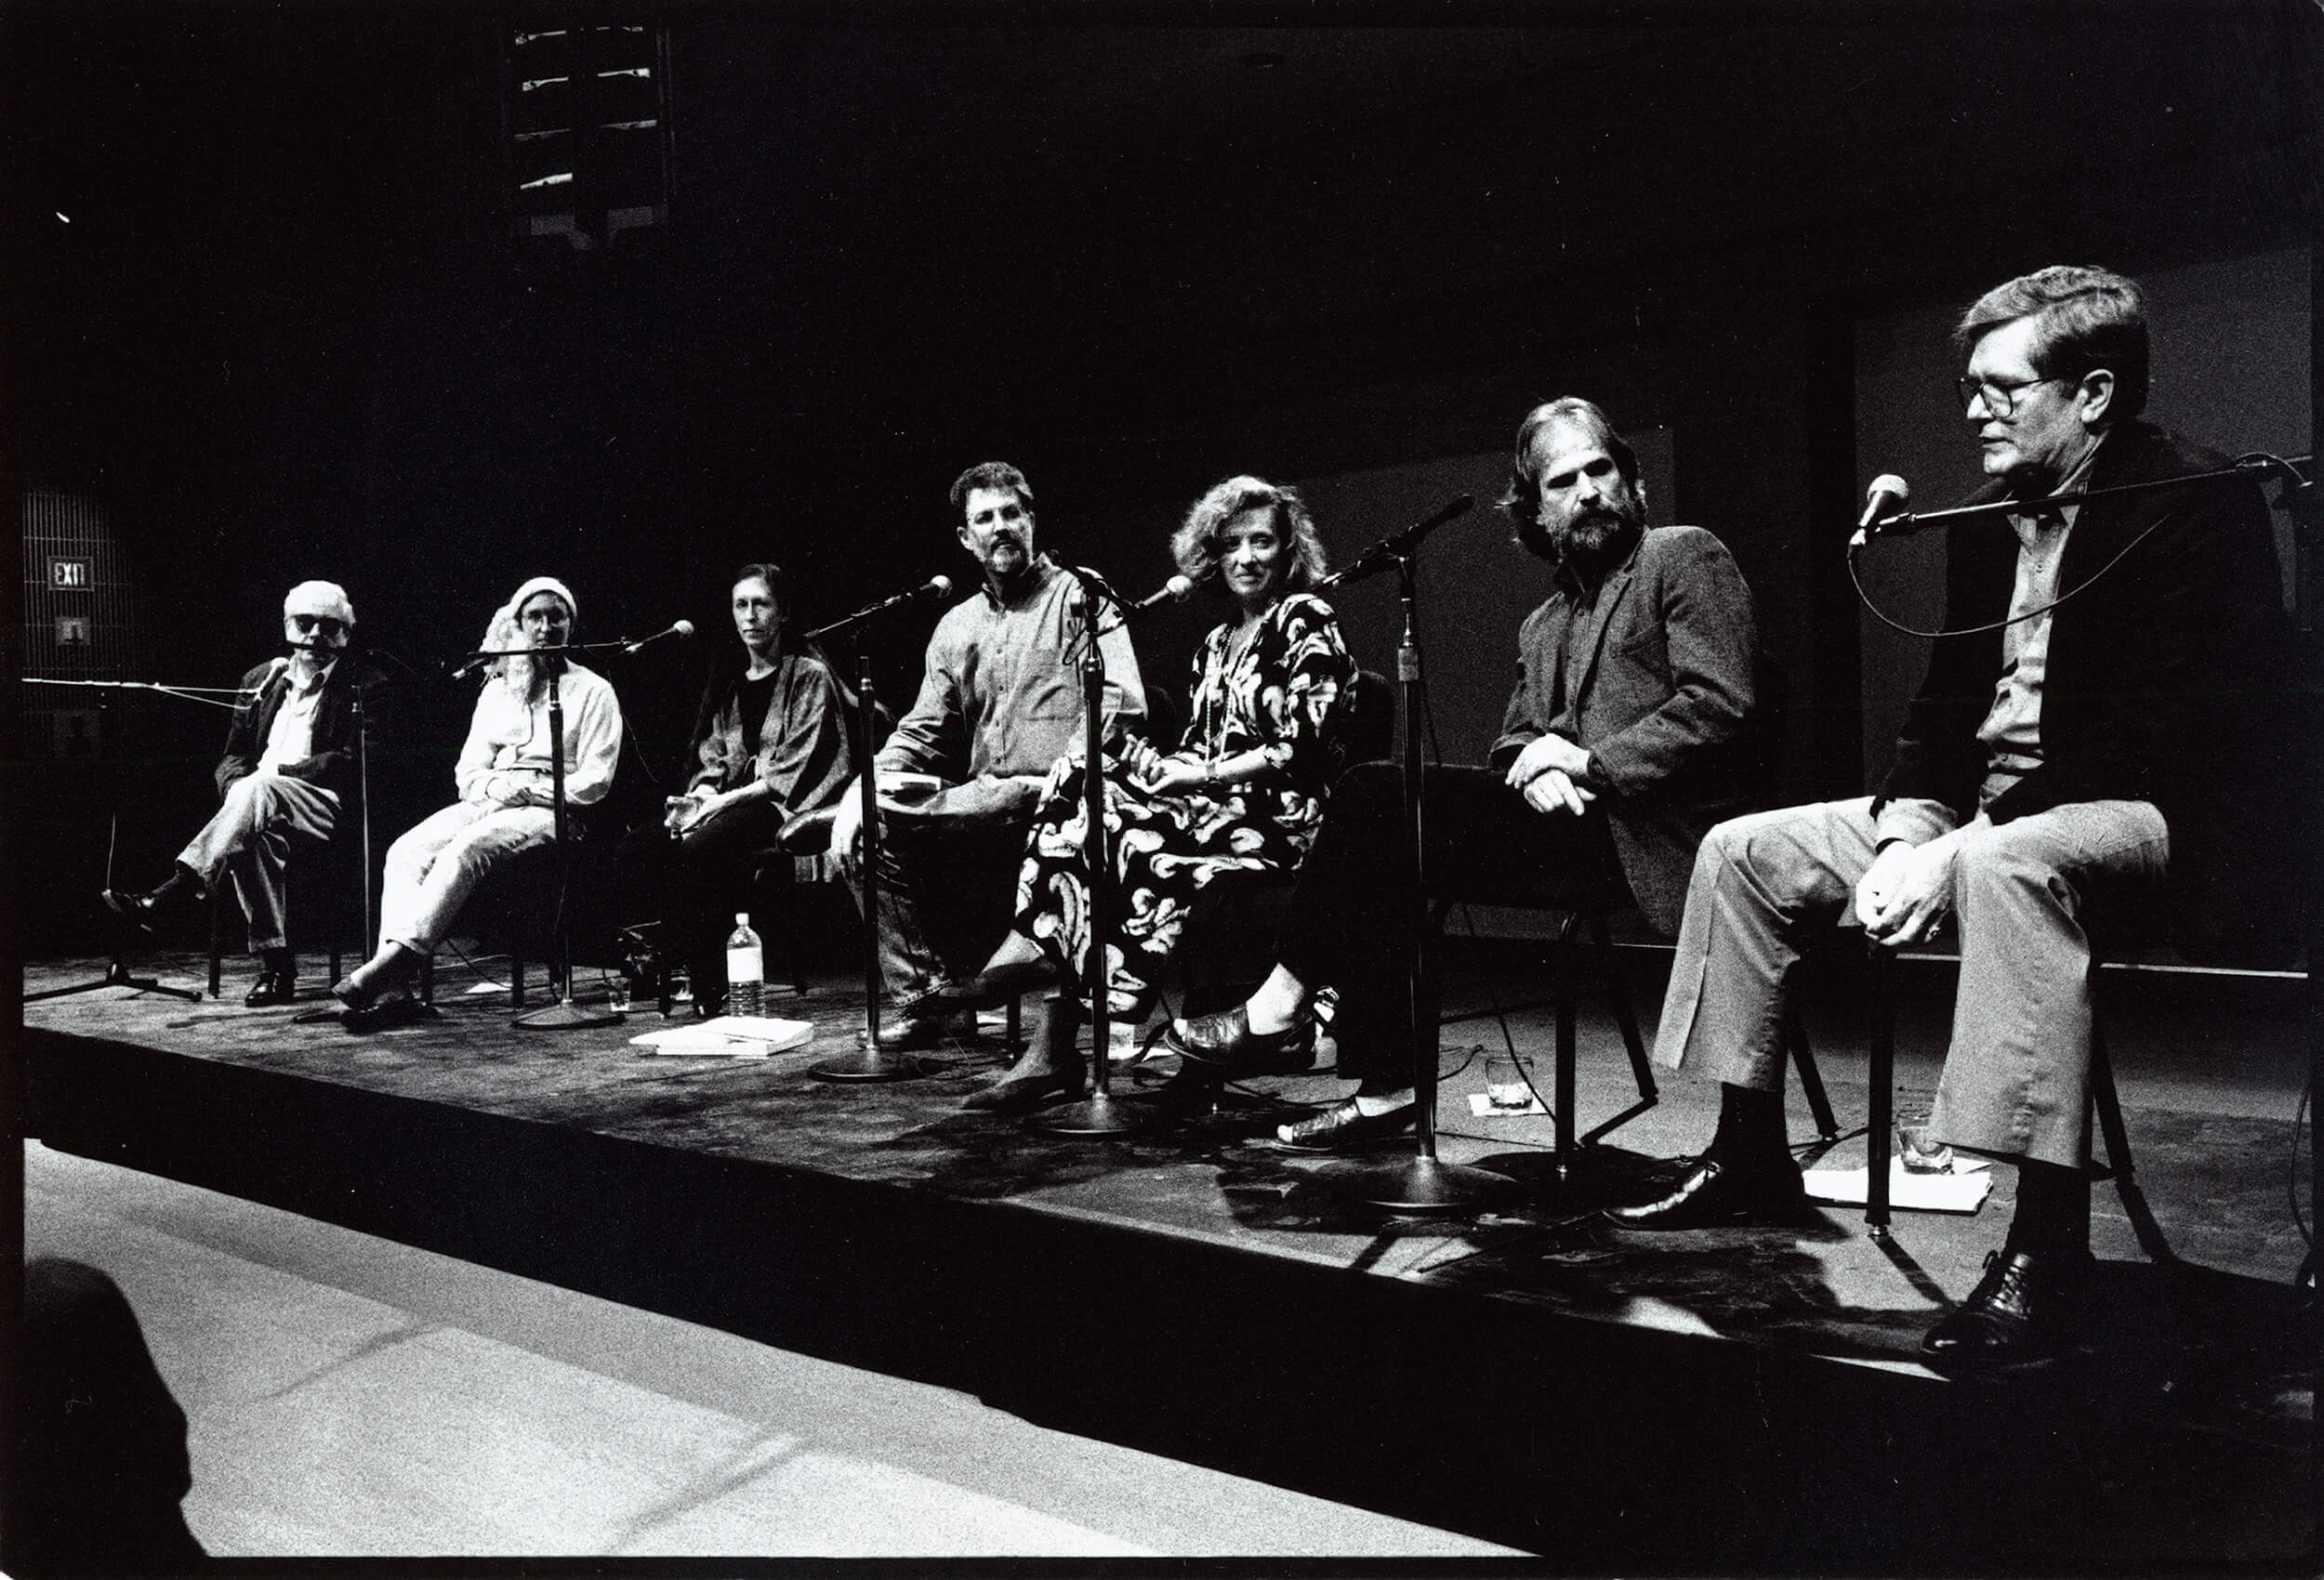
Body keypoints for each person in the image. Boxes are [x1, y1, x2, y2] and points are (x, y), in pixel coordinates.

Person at [1609, 267, 2295, 1372]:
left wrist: (1959, 848)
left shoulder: (2193, 503)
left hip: (2153, 812)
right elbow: (1940, 709)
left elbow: (2159, 735)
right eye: (1967, 387)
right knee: (1744, 850)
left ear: (2093, 394)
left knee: (2013, 867)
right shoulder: (1984, 518)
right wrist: (1901, 835)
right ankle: (1747, 1150)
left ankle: (2045, 1247)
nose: (1971, 409)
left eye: (1998, 386)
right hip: (1987, 811)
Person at [1169, 399, 1766, 1151]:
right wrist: (1529, 766)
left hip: (1653, 834)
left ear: (1631, 481)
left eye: (1600, 470)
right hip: (1565, 831)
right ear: (1534, 510)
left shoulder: (1682, 555)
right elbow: (1513, 739)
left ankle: (1277, 1011)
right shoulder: (1543, 622)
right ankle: (1387, 1088)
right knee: (1392, 830)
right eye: (1561, 482)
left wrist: (1589, 764)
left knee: (1376, 796)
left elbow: (1721, 703)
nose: (1586, 491)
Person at [939, 476, 1360, 1111]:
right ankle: (1039, 953)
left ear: (1288, 549)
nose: (1246, 557)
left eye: (1262, 542)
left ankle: (1057, 999)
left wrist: (1199, 778)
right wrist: (1162, 768)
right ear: (1211, 556)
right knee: (1084, 774)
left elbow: (1299, 746)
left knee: (1129, 839)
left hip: (1282, 821)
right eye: (1231, 544)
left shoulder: (1306, 618)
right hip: (1211, 810)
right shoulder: (1216, 644)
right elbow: (1198, 747)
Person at [825, 462, 1147, 1049]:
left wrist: (1061, 775)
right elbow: (921, 732)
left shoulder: (1082, 594)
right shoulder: (955, 625)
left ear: (1031, 520)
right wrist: (859, 790)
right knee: (864, 826)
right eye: (984, 518)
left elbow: (1122, 704)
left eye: (1010, 513)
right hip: (981, 799)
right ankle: (928, 1000)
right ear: (965, 538)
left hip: (1062, 798)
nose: (1000, 527)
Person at [335, 575, 624, 1014]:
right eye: (535, 617)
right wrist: (497, 786)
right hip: (492, 798)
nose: (546, 627)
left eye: (556, 617)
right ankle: (396, 992)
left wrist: (536, 790)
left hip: (553, 810)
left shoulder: (594, 691)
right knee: (405, 851)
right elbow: (467, 771)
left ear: (571, 624)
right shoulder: (498, 687)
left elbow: (596, 780)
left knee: (466, 849)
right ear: (520, 624)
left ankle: (395, 961)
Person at [101, 579, 390, 1007]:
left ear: (346, 634)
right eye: (305, 623)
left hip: (324, 805)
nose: (315, 635)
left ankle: (169, 894)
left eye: (329, 627)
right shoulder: (261, 679)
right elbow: (233, 755)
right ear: (288, 626)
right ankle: (276, 965)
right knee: (252, 841)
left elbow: (359, 758)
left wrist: (278, 776)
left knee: (261, 788)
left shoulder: (366, 684)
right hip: (258, 806)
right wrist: (238, 787)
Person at [664, 563, 852, 1014]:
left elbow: (799, 765)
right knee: (647, 844)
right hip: (735, 805)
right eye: (740, 605)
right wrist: (702, 797)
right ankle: (674, 971)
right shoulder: (731, 684)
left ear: (783, 612)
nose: (749, 616)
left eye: (760, 604)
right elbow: (715, 757)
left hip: (787, 808)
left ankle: (714, 982)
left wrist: (722, 802)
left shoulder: (808, 675)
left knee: (703, 849)